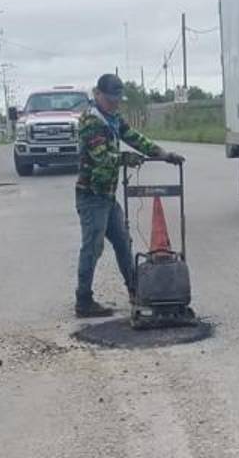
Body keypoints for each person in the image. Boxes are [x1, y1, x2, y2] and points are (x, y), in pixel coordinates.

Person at [74, 73, 184, 318]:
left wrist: (163, 154)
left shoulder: (112, 118)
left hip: (107, 195)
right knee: (93, 246)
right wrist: (126, 159)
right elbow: (101, 156)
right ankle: (83, 300)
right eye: (110, 99)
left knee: (123, 242)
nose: (114, 104)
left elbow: (134, 137)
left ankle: (137, 291)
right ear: (97, 94)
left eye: (117, 100)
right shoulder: (91, 121)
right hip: (91, 195)